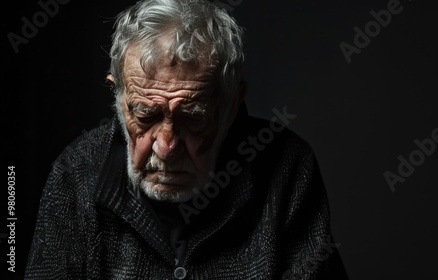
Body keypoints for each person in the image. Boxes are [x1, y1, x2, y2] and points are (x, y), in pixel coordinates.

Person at [25, 0, 349, 279]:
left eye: (193, 118)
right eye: (145, 115)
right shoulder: (74, 173)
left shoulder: (289, 167)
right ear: (118, 96)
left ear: (232, 105)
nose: (166, 148)